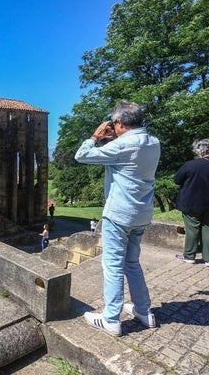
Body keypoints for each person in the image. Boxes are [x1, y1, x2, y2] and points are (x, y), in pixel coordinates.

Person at [74, 100, 160, 336]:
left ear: (120, 122)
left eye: (114, 123)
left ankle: (111, 319)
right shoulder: (153, 142)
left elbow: (81, 155)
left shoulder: (123, 146)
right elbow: (129, 157)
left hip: (119, 214)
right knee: (132, 263)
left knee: (112, 265)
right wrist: (115, 139)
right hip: (142, 213)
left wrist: (95, 136)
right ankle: (144, 311)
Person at [174, 139, 209, 267]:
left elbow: (177, 180)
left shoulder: (191, 165)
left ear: (200, 150)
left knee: (192, 229)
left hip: (191, 202)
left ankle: (189, 256)